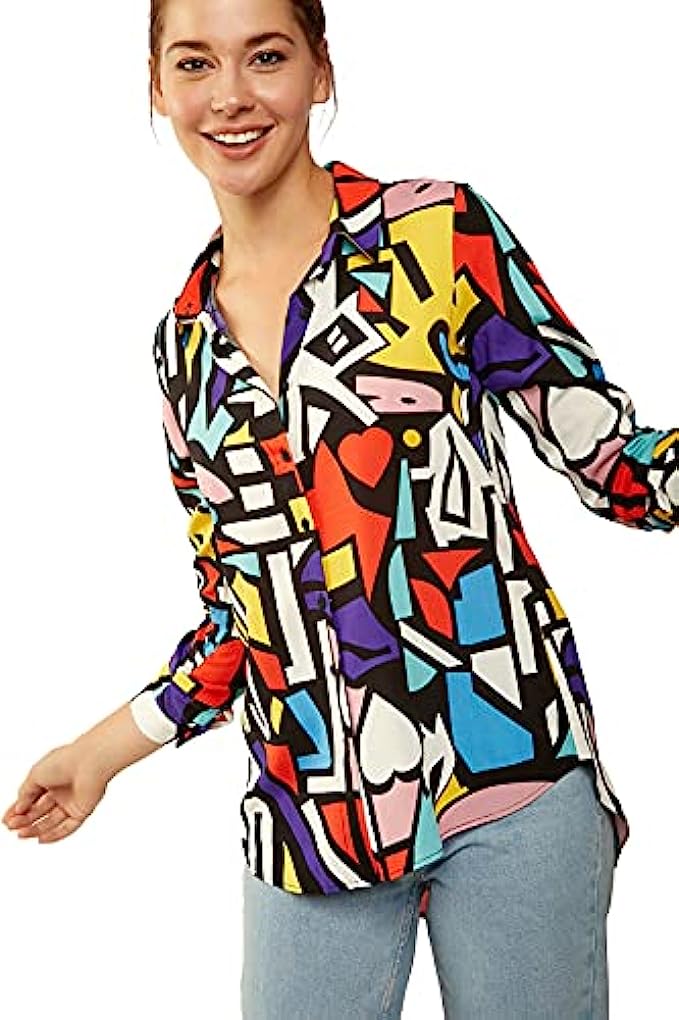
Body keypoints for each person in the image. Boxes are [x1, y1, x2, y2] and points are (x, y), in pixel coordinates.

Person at [3, 0, 678, 1016]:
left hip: (508, 774)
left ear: (319, 71)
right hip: (307, 815)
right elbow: (243, 613)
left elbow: (609, 461)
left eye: (266, 56)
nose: (231, 96)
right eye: (195, 64)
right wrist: (99, 754)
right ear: (157, 88)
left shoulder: (437, 235)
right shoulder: (183, 349)